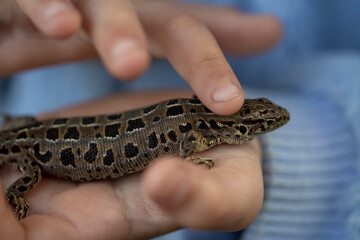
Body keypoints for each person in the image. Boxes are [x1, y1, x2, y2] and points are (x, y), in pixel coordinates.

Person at [0, 1, 359, 240]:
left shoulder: (200, 123)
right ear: (239, 128)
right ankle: (15, 190)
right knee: (29, 177)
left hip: (37, 127)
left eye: (264, 124)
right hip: (33, 147)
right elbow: (186, 147)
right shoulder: (197, 136)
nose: (270, 123)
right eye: (261, 125)